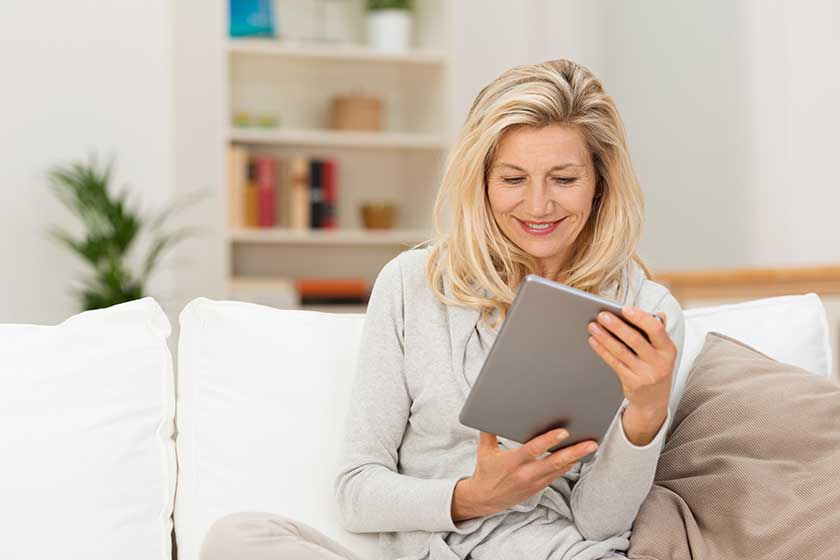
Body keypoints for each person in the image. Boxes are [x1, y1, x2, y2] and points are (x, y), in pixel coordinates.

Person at [201, 59, 685, 560]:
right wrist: (472, 497)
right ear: (482, 182)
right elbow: (357, 492)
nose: (539, 206)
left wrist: (646, 414)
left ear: (599, 183)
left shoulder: (645, 312)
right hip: (425, 550)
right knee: (237, 540)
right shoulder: (413, 284)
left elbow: (600, 523)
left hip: (553, 552)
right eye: (513, 179)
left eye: (563, 179)